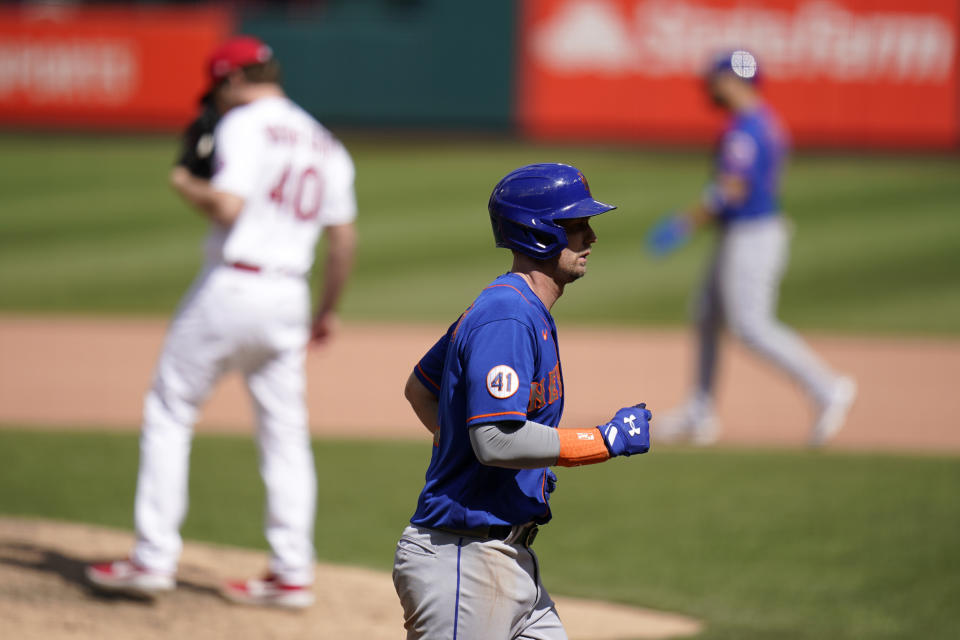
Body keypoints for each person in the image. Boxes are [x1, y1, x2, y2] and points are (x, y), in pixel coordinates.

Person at [85, 35, 358, 608]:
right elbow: (342, 241)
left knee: (170, 409)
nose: (219, 101)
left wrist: (184, 183)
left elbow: (229, 206)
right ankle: (292, 573)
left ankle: (152, 559)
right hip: (288, 294)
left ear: (233, 80)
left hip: (233, 285)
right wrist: (325, 311)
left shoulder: (244, 125)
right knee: (284, 436)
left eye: (220, 89)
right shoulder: (326, 142)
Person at [393, 163, 652, 639]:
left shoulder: (518, 308)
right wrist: (604, 440)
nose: (591, 236)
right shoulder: (507, 317)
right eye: (576, 225)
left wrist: (457, 450)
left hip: (507, 561)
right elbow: (495, 440)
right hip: (463, 565)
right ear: (539, 234)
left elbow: (421, 387)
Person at [646, 49, 855, 447]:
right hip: (745, 232)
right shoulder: (764, 122)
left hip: (752, 235)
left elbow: (732, 190)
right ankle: (700, 411)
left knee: (751, 326)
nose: (709, 86)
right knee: (706, 314)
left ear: (734, 81)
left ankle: (826, 388)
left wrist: (685, 222)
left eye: (716, 79)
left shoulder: (745, 129)